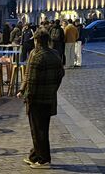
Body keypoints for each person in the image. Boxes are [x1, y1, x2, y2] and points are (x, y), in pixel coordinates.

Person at [18, 30, 64, 169]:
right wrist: (53, 88)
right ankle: (35, 155)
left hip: (37, 99)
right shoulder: (55, 54)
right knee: (42, 129)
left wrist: (27, 97)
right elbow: (61, 74)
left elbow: (31, 80)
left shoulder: (37, 56)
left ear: (37, 41)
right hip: (49, 97)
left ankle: (43, 160)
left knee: (38, 130)